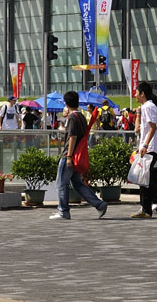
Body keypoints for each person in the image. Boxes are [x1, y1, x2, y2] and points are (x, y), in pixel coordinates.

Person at [49, 91, 107, 221]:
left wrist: (69, 156)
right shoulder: (81, 116)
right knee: (77, 184)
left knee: (61, 184)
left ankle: (63, 211)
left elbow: (73, 137)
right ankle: (99, 204)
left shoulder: (72, 117)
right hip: (78, 155)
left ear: (66, 103)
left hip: (69, 155)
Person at [131, 82, 157, 219]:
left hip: (151, 148)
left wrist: (145, 145)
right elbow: (147, 129)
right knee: (145, 178)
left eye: (136, 92)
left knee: (145, 179)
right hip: (149, 147)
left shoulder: (148, 107)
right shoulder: (148, 107)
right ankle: (146, 209)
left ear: (142, 94)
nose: (135, 95)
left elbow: (153, 128)